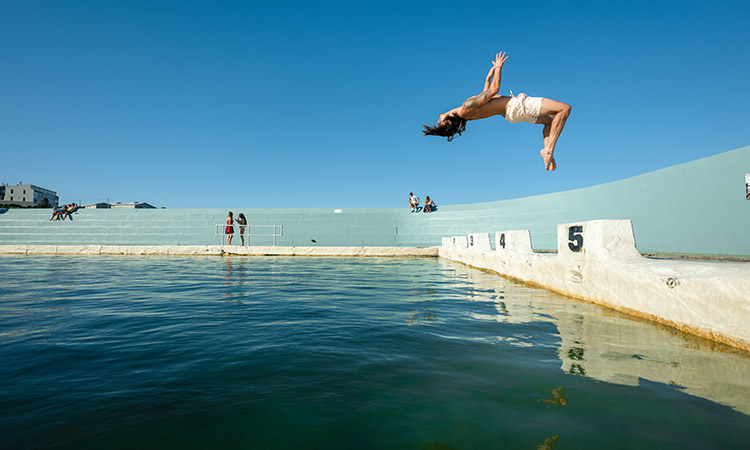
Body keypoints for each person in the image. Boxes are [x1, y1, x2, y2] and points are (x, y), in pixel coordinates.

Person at [423, 51, 571, 171]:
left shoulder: (466, 115)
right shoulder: (465, 107)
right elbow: (494, 90)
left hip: (513, 115)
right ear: (448, 120)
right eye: (440, 122)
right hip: (517, 106)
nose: (438, 120)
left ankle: (546, 151)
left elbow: (486, 96)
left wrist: (488, 77)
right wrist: (499, 67)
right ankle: (549, 150)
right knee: (564, 109)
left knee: (551, 123)